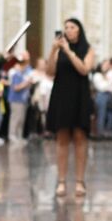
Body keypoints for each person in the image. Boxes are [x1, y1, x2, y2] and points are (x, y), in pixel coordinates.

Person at [47, 18, 96, 198]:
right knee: (62, 138)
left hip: (80, 96)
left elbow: (84, 69)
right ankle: (61, 181)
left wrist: (68, 51)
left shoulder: (87, 49)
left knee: (80, 137)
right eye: (66, 27)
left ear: (79, 30)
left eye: (72, 27)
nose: (68, 30)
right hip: (61, 95)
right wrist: (53, 50)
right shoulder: (58, 50)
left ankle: (79, 181)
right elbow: (49, 72)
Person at [7, 54, 33, 142]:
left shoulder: (24, 73)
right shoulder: (16, 74)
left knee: (21, 119)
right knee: (15, 118)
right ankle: (12, 135)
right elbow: (16, 87)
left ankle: (19, 136)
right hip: (15, 99)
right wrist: (27, 83)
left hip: (23, 99)